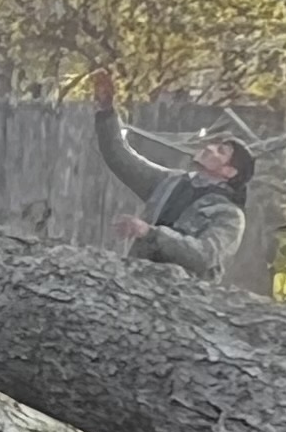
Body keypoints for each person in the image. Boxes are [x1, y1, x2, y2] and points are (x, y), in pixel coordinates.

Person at [91, 71, 254, 279]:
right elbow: (120, 159)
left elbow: (205, 255)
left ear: (229, 172)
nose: (210, 148)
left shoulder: (230, 215)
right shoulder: (170, 182)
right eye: (214, 144)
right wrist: (105, 111)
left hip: (183, 300)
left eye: (221, 151)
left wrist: (150, 233)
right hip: (136, 283)